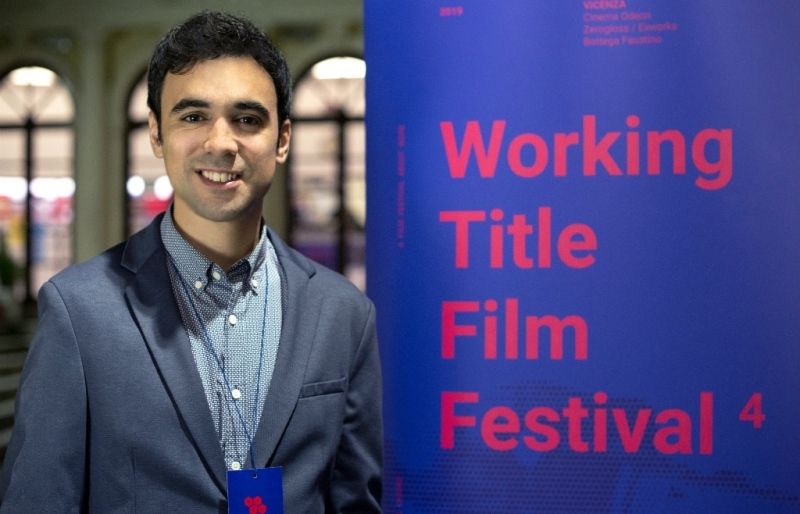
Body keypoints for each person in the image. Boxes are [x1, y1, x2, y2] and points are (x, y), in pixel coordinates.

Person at [0, 11, 382, 513]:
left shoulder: (343, 313)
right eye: (193, 117)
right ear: (156, 134)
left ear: (282, 139)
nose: (220, 143)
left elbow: (356, 502)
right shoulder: (79, 312)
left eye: (247, 119)